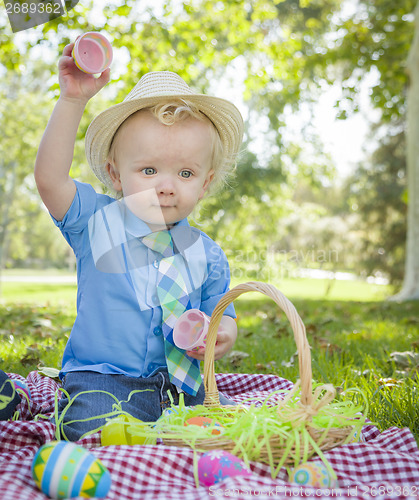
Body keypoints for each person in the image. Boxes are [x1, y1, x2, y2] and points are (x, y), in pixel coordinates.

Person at [34, 40, 244, 441]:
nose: (166, 187)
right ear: (116, 175)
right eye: (148, 170)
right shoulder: (95, 222)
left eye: (185, 174)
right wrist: (72, 100)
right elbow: (50, 179)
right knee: (94, 432)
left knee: (223, 435)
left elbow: (221, 315)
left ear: (206, 183)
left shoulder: (208, 254)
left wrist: (220, 337)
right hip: (105, 380)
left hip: (181, 387)